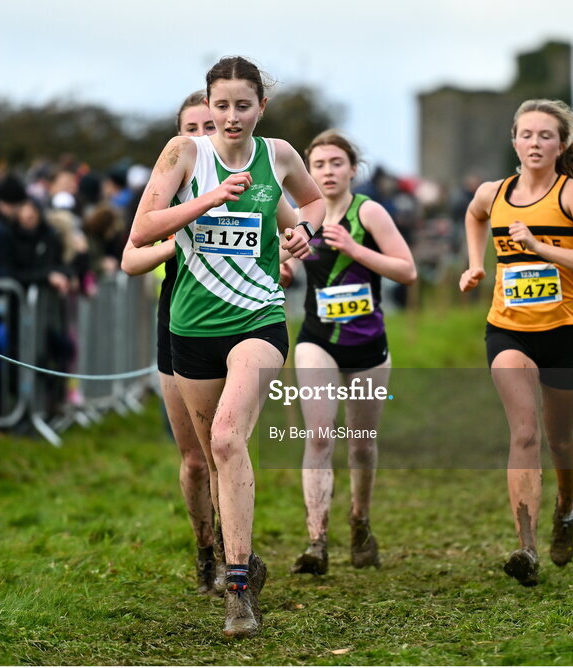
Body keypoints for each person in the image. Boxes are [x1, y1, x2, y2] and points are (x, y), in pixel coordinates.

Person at [129, 56, 323, 638]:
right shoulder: (184, 155)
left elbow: (311, 205)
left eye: (244, 105)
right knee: (210, 457)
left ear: (261, 107)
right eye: (222, 105)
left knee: (226, 438)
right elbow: (142, 231)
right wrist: (209, 201)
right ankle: (232, 556)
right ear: (207, 107)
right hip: (190, 329)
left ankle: (238, 588)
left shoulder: (279, 155)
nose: (232, 116)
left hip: (258, 319)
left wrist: (301, 234)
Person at [458, 99, 573, 587]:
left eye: (546, 136)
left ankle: (566, 509)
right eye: (526, 135)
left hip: (566, 332)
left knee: (560, 438)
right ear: (514, 141)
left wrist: (541, 247)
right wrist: (476, 264)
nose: (535, 143)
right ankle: (525, 547)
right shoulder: (495, 193)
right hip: (509, 328)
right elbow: (474, 215)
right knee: (524, 434)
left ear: (560, 145)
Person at [282, 131, 416, 575]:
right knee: (319, 436)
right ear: (308, 171)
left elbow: (407, 270)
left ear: (352, 169)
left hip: (368, 346)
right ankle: (316, 540)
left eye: (336, 163)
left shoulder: (369, 212)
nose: (327, 171)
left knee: (361, 445)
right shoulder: (302, 215)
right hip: (316, 339)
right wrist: (284, 268)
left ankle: (359, 521)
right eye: (318, 164)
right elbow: (285, 267)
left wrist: (356, 249)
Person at [120, 91, 227, 598]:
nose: (205, 135)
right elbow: (130, 259)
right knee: (194, 458)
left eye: (212, 125)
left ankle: (235, 556)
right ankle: (204, 547)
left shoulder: (243, 181)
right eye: (194, 127)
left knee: (229, 446)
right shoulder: (172, 185)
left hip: (235, 320)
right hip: (179, 320)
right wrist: (180, 238)